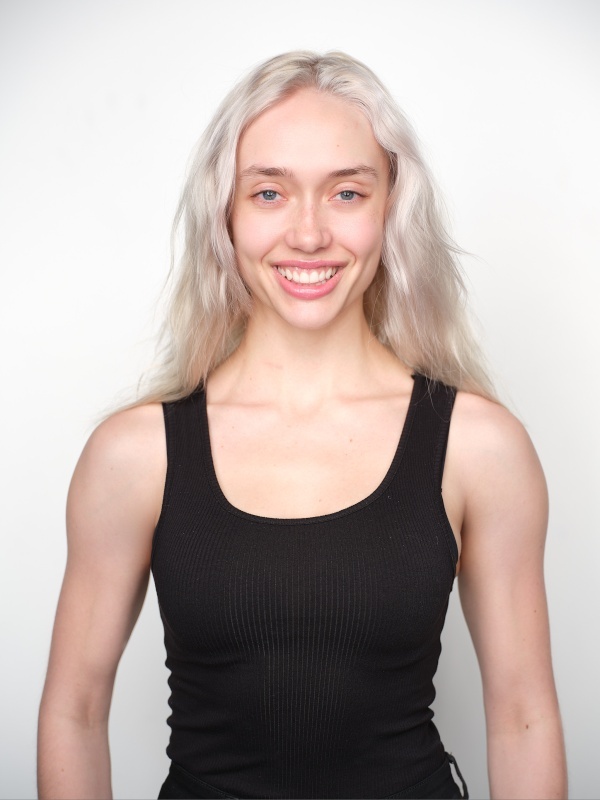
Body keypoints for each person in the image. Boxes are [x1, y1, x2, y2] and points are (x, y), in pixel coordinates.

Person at [37, 51, 567, 800]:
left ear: (391, 210)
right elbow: (75, 711)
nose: (310, 234)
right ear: (225, 215)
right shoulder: (134, 455)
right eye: (269, 193)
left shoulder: (480, 448)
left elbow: (523, 718)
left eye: (347, 192)